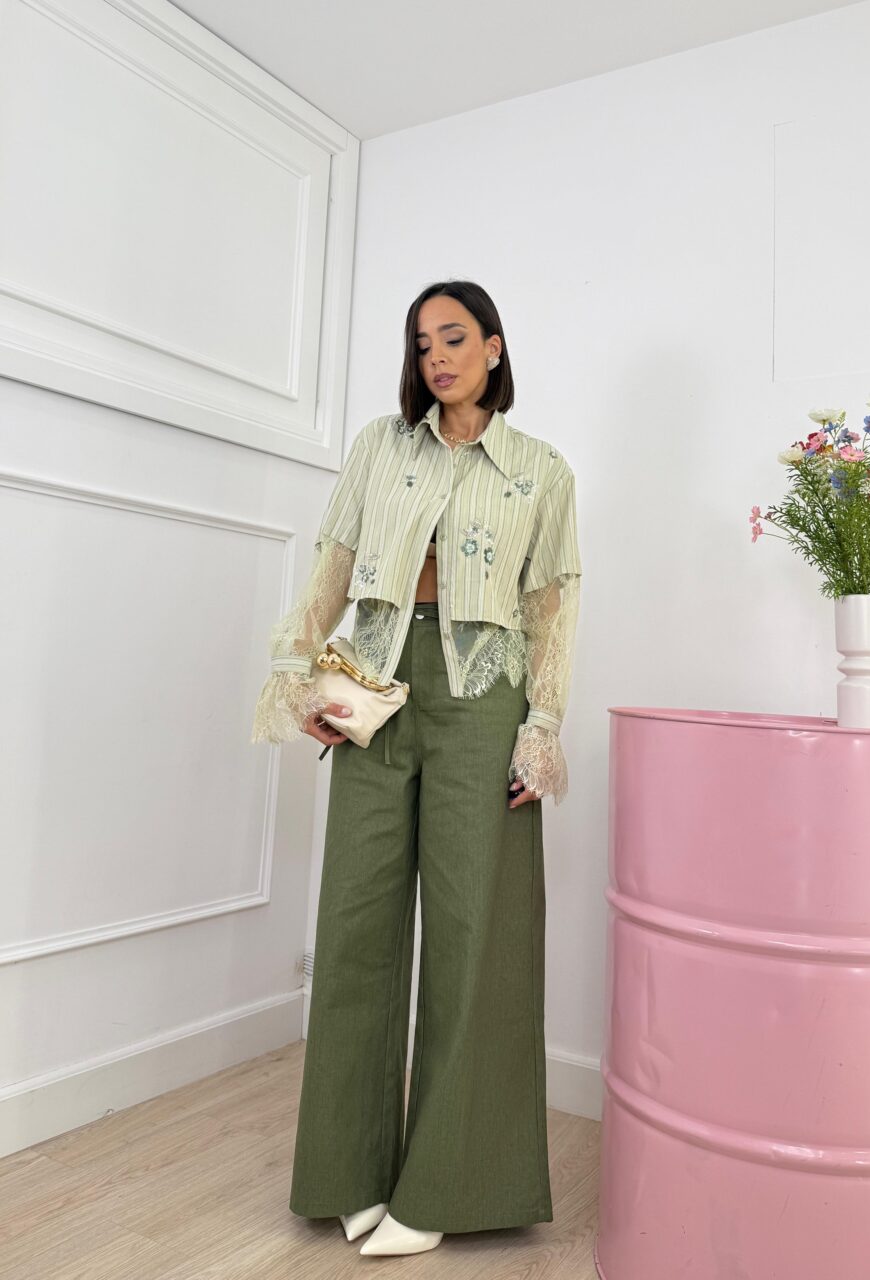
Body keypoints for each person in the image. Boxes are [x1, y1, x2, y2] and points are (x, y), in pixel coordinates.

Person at [250, 279, 582, 1256]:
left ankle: (445, 1186)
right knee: (354, 919)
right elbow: (334, 561)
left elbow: (553, 607)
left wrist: (542, 725)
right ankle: (347, 1170)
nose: (436, 356)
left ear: (493, 346)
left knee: (476, 932)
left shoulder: (541, 469)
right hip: (376, 682)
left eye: (454, 337)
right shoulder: (379, 447)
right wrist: (300, 669)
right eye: (423, 341)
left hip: (485, 695)